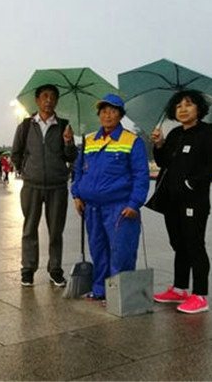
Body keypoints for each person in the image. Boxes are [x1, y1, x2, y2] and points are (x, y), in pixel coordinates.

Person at [150, 90, 212, 314]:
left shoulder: (208, 133)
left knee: (194, 245)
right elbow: (163, 162)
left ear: (198, 109)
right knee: (178, 245)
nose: (182, 109)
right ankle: (180, 288)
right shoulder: (174, 135)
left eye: (188, 104)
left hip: (194, 201)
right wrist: (160, 144)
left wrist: (191, 183)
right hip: (172, 201)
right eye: (179, 105)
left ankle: (200, 295)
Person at [71, 94, 149, 301]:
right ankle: (100, 290)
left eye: (113, 111)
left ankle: (118, 296)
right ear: (99, 115)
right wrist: (76, 195)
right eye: (104, 111)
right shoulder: (89, 141)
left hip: (120, 208)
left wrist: (134, 203)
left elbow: (141, 175)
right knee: (98, 250)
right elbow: (78, 171)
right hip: (92, 208)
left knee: (121, 251)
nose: (108, 115)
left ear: (121, 115)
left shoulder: (132, 141)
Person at [12, 84, 78, 287]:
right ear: (37, 100)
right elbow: (16, 153)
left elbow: (71, 156)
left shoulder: (64, 125)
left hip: (57, 186)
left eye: (52, 97)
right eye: (44, 96)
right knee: (29, 228)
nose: (48, 100)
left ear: (56, 101)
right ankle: (28, 269)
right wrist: (26, 170)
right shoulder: (25, 125)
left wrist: (68, 143)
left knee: (56, 230)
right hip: (32, 185)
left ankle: (55, 269)